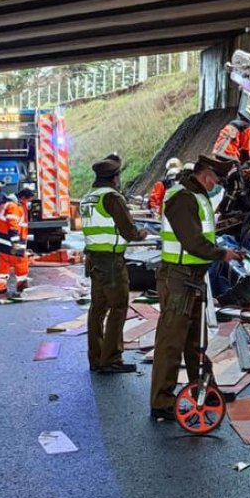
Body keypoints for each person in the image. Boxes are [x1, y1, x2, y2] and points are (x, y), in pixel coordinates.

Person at [149, 155, 244, 419]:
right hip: (179, 277)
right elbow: (193, 241)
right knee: (171, 340)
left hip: (190, 277)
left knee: (194, 340)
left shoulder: (196, 196)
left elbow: (199, 236)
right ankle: (161, 401)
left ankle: (205, 389)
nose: (217, 185)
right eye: (216, 179)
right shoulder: (182, 198)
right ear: (206, 175)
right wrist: (222, 253)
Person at [81, 156, 148, 374]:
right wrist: (140, 234)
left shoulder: (88, 197)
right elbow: (128, 230)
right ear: (115, 177)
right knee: (118, 307)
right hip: (111, 261)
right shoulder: (112, 197)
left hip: (93, 259)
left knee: (98, 309)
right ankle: (111, 359)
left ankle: (96, 358)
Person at [0, 185, 35, 297]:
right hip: (11, 243)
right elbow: (13, 225)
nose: (28, 202)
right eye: (28, 199)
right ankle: (22, 288)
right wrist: (16, 243)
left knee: (3, 267)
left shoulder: (6, 203)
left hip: (2, 243)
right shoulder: (14, 207)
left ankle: (1, 290)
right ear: (23, 197)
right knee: (21, 265)